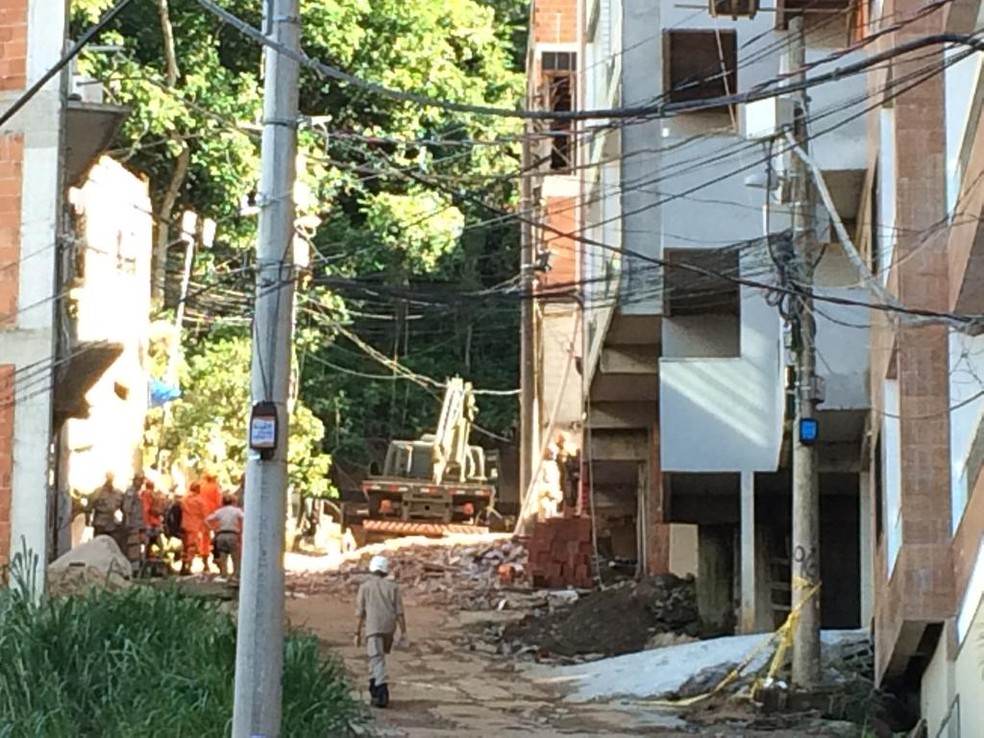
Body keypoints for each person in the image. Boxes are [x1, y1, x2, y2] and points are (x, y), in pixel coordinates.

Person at [355, 555, 407, 709]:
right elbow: (399, 612)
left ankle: (381, 690)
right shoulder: (393, 587)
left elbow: (360, 613)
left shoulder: (365, 587)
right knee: (377, 657)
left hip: (373, 627)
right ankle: (374, 687)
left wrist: (357, 632)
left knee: (376, 658)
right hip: (389, 627)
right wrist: (403, 632)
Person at [206, 495, 244, 581]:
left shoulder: (219, 511)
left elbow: (207, 520)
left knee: (223, 556)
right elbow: (244, 517)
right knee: (235, 556)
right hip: (233, 534)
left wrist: (213, 529)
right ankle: (236, 575)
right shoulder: (236, 511)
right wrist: (241, 529)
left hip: (221, 535)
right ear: (233, 502)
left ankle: (224, 575)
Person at [179, 482, 208, 575]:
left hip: (183, 526)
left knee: (185, 547)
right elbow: (204, 515)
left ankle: (183, 565)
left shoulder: (184, 499)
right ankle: (188, 566)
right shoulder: (199, 501)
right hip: (194, 526)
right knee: (192, 547)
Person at [90, 472, 125, 550]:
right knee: (98, 548)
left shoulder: (118, 493)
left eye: (111, 479)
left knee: (112, 548)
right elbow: (89, 507)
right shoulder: (98, 492)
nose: (109, 481)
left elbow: (124, 509)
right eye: (108, 479)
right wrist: (88, 520)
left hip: (113, 526)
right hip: (100, 525)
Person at [198, 472, 223, 565]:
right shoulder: (216, 488)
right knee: (217, 535)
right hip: (214, 514)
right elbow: (219, 502)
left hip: (203, 515)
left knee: (204, 538)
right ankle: (217, 557)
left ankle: (205, 562)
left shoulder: (201, 487)